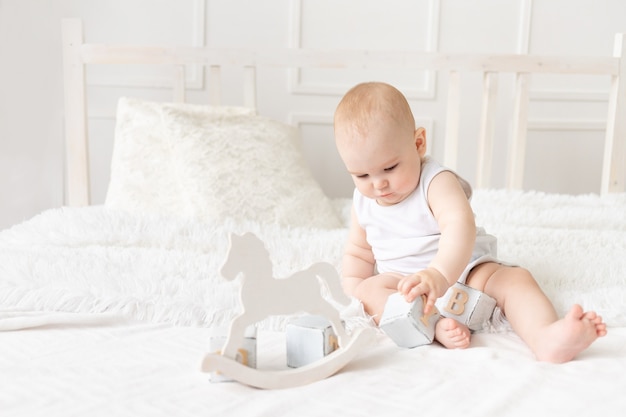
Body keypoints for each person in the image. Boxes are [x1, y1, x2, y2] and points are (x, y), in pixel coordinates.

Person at [333, 81, 607, 363]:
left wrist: (439, 274)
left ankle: (545, 336)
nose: (378, 184)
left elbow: (459, 227)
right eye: (361, 175)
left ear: (418, 144)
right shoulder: (362, 201)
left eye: (389, 167)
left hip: (463, 271)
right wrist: (354, 294)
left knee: (515, 280)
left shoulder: (436, 181)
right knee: (370, 291)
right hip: (403, 284)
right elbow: (358, 253)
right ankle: (434, 326)